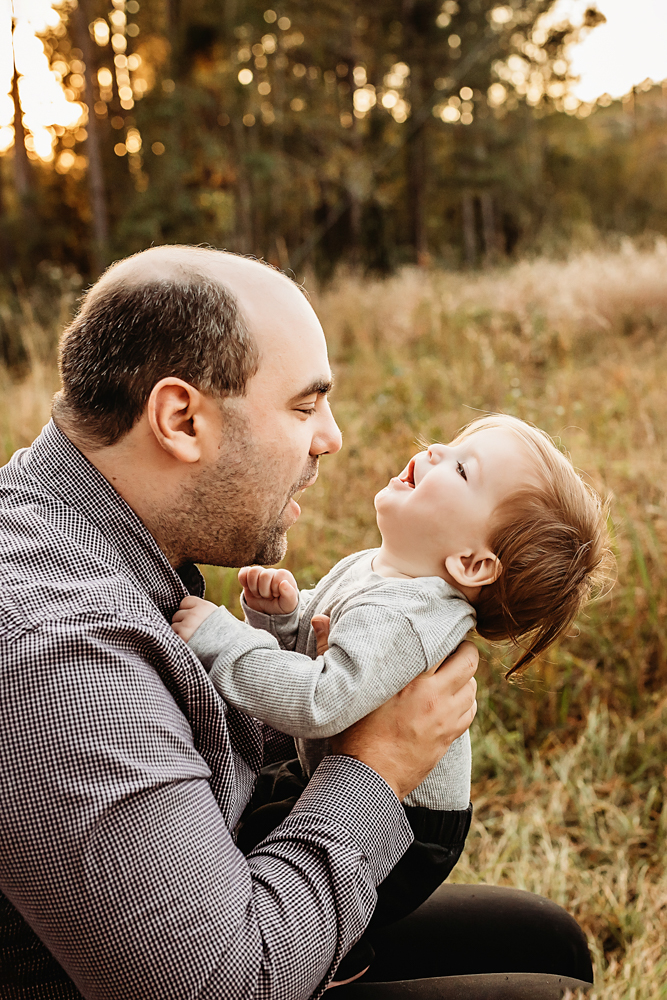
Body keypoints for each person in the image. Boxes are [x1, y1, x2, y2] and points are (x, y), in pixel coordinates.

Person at [0, 246, 592, 1000]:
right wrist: (377, 768)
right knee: (543, 994)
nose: (330, 438)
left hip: (213, 884)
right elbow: (222, 985)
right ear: (181, 419)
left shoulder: (86, 528)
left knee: (544, 940)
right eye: (305, 406)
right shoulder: (55, 654)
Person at [172, 412, 608, 983]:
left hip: (406, 829)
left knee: (250, 841)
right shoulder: (380, 570)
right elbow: (326, 654)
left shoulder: (408, 619)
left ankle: (328, 953)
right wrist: (284, 621)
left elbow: (320, 700)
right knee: (250, 818)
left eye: (459, 468)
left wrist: (220, 638)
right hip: (338, 773)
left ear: (472, 563)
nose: (430, 452)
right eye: (443, 443)